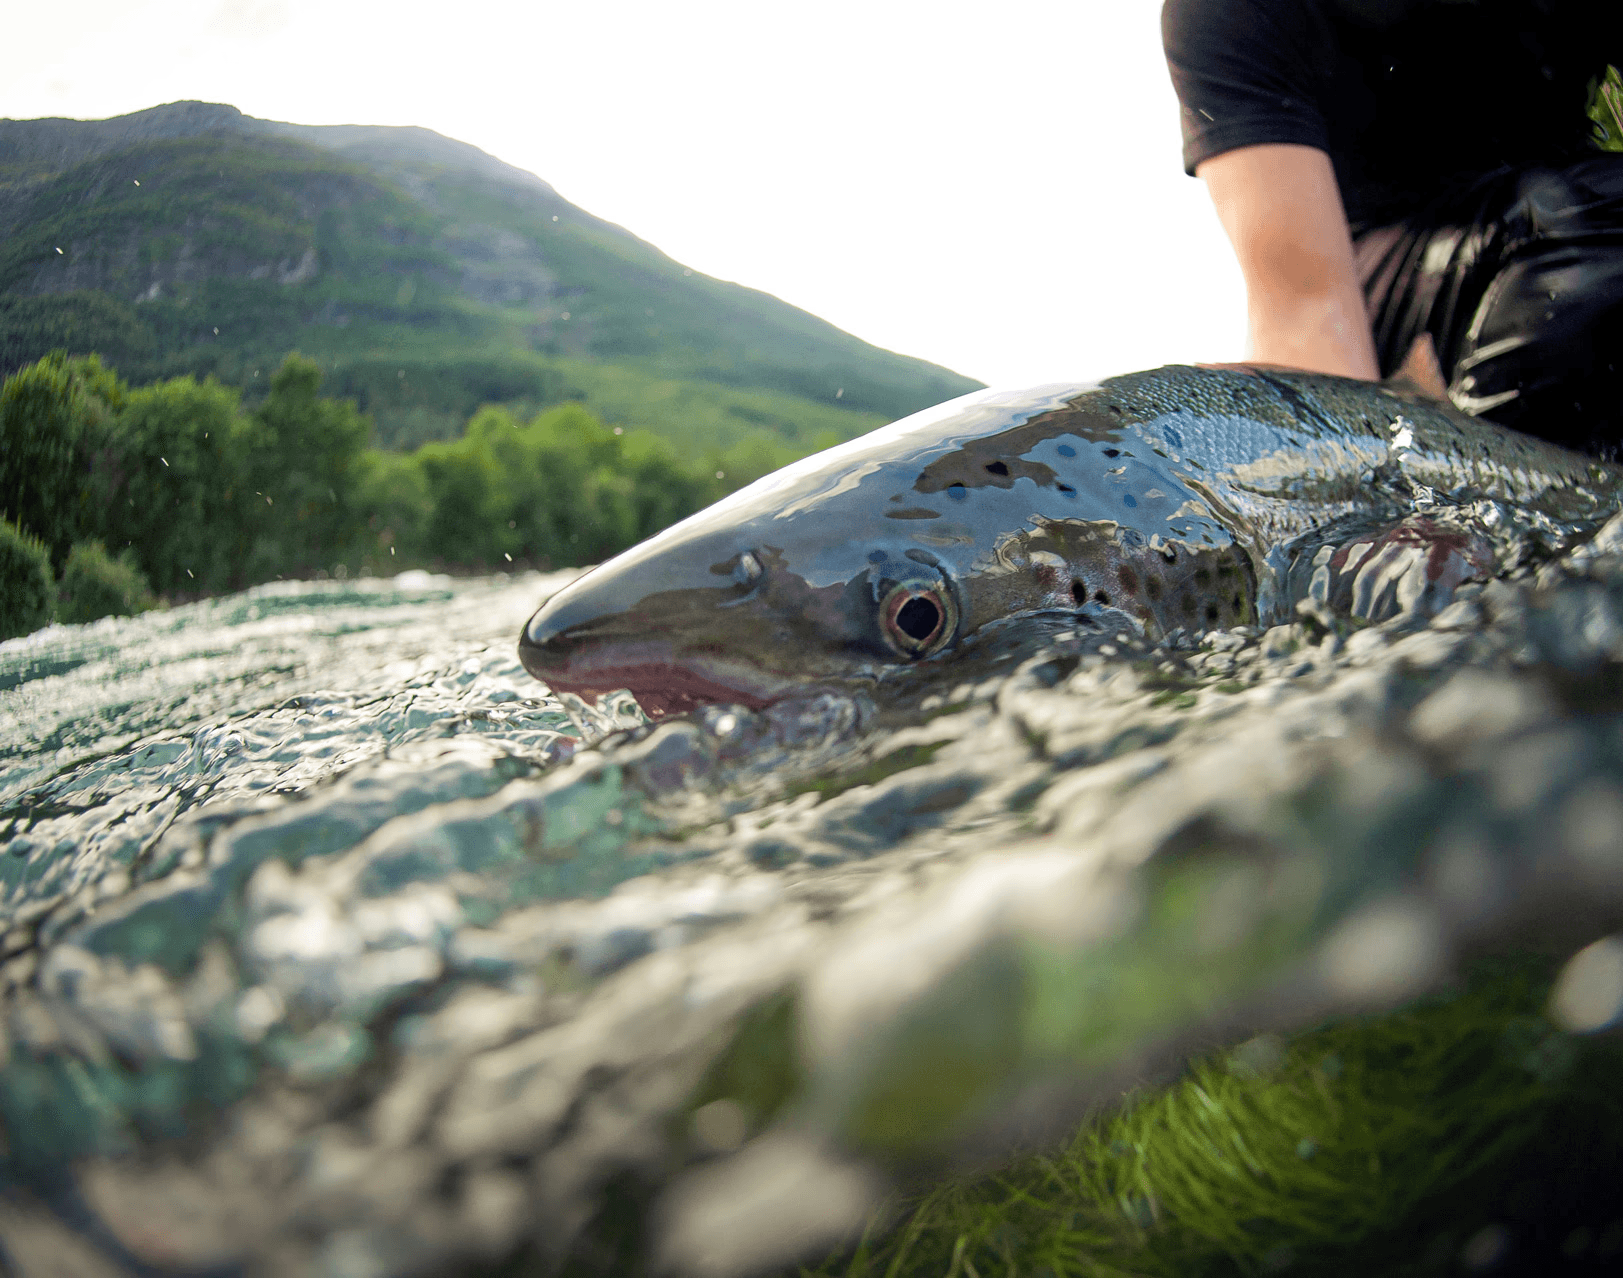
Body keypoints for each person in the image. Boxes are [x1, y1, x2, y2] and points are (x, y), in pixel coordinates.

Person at [1162, 0, 1623, 456]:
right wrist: (1354, 476)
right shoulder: (1233, 11)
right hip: (1376, 312)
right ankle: (1484, 486)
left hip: (1576, 230)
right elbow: (1306, 309)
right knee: (1582, 222)